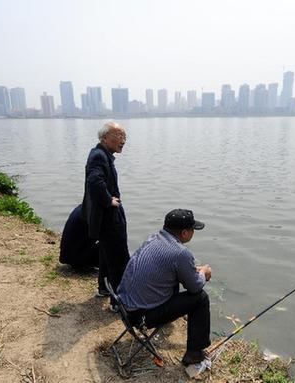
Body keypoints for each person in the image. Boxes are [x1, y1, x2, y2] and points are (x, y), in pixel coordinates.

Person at [117, 209, 212, 366]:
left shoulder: (153, 238)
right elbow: (194, 287)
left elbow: (168, 267)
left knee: (178, 279)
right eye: (192, 229)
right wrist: (204, 273)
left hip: (124, 305)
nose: (193, 232)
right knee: (201, 298)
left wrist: (192, 270)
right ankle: (194, 353)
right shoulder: (181, 253)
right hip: (141, 317)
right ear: (184, 233)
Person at [81, 121, 129, 303]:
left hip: (105, 216)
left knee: (107, 253)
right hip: (108, 217)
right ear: (104, 138)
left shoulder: (102, 154)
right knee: (119, 257)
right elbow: (94, 182)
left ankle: (104, 288)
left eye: (124, 137)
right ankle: (119, 302)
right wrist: (109, 200)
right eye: (118, 136)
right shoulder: (99, 156)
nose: (123, 140)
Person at [59, 204, 104, 286]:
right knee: (110, 241)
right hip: (77, 258)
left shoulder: (83, 208)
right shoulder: (93, 214)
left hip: (67, 256)